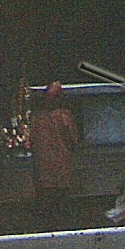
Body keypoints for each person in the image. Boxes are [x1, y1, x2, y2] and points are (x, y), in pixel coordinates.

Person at [29, 81, 78, 231]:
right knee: (61, 193)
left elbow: (31, 139)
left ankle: (45, 221)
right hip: (61, 158)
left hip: (42, 160)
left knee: (45, 192)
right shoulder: (64, 115)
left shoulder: (36, 117)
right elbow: (72, 138)